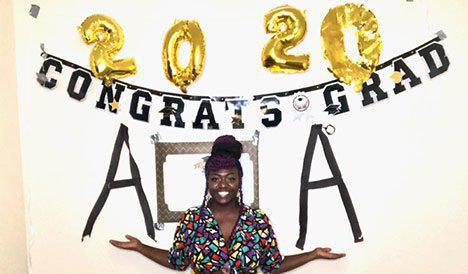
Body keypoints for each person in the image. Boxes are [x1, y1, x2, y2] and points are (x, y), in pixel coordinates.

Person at [110, 135, 345, 273]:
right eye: (215, 178)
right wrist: (140, 247)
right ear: (208, 182)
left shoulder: (257, 220)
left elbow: (273, 265)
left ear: (239, 181)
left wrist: (313, 254)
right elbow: (177, 261)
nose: (223, 185)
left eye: (230, 178)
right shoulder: (192, 219)